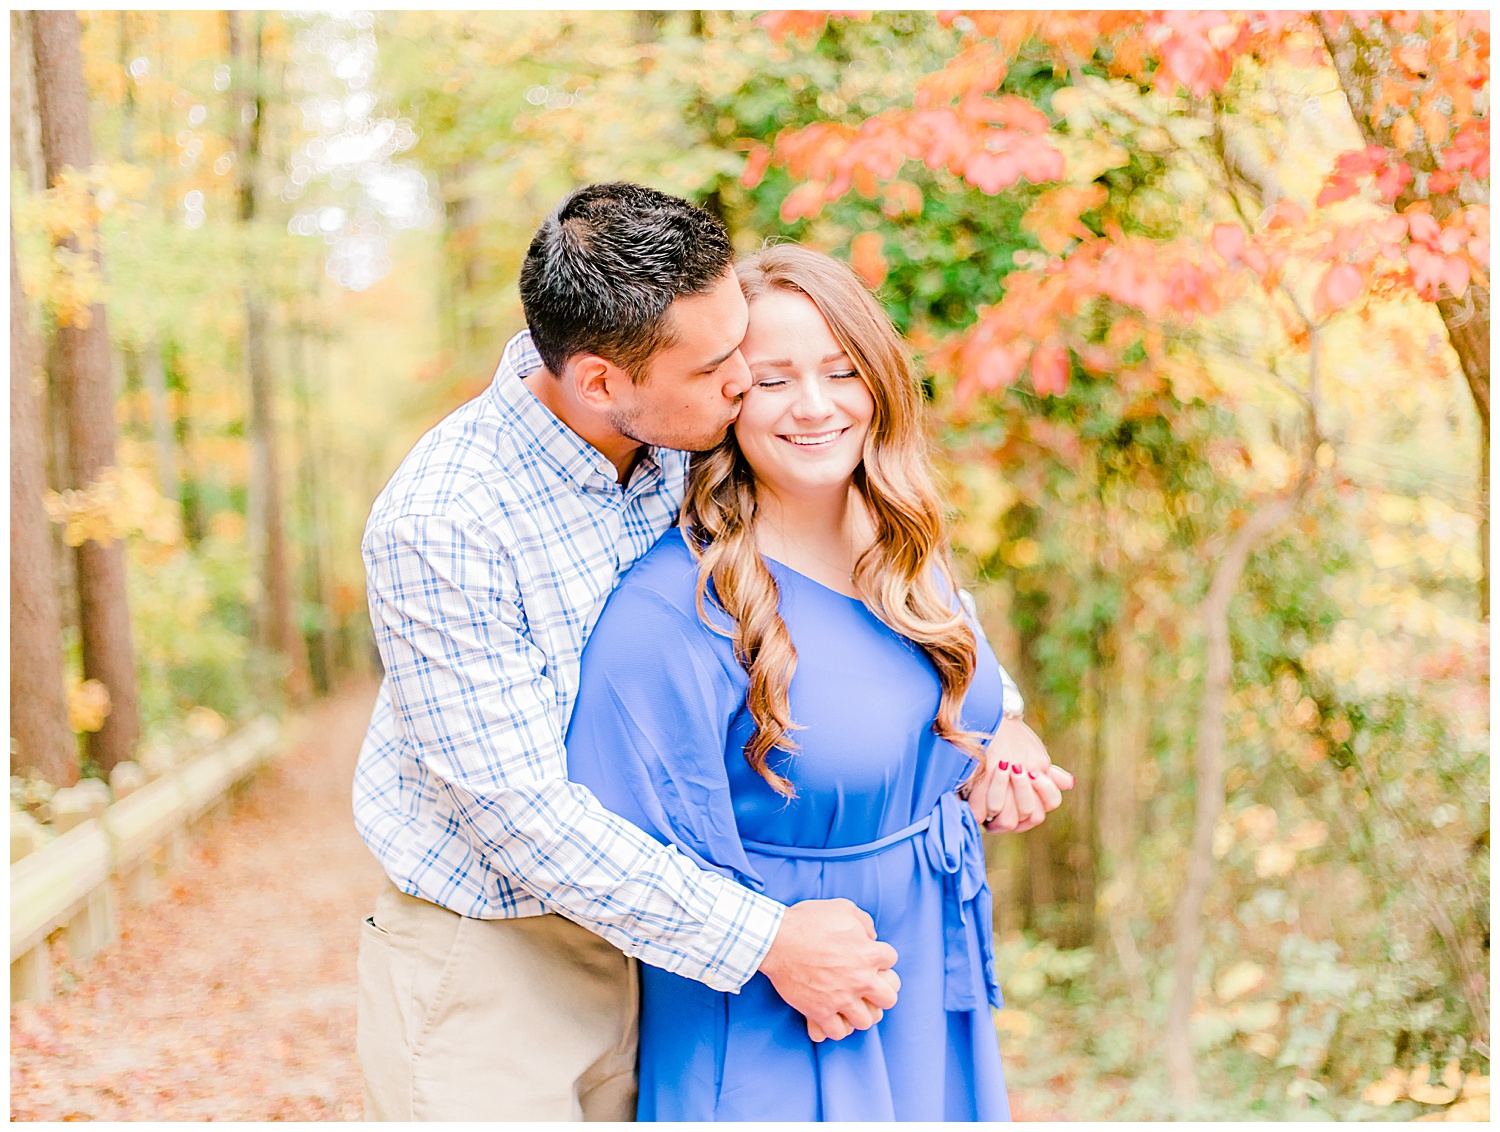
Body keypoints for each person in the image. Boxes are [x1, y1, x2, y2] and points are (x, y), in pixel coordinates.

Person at [353, 183, 1060, 1121]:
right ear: (604, 382)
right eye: (734, 367)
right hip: (504, 955)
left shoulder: (680, 420)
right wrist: (765, 938)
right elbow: (516, 813)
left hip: (688, 936)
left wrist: (997, 712)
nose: (750, 383)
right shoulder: (445, 520)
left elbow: (858, 574)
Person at [566, 243, 1073, 1121]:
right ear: (727, 396)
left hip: (925, 968)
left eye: (841, 371)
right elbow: (611, 860)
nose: (814, 405)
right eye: (772, 380)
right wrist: (773, 952)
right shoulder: (667, 616)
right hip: (780, 1011)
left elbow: (972, 705)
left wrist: (1003, 747)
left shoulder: (909, 554)